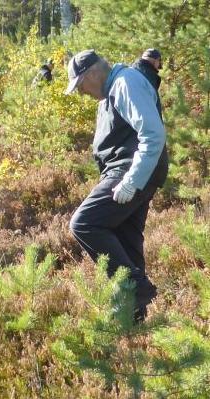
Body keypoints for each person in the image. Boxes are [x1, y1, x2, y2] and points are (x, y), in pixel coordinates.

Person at [65, 50, 169, 322]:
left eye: (80, 85)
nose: (80, 93)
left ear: (91, 74)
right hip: (132, 172)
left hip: (131, 172)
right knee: (127, 239)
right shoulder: (114, 89)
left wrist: (131, 181)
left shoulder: (124, 83)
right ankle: (133, 320)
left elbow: (153, 133)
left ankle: (135, 289)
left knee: (84, 223)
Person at [132, 48, 163, 118]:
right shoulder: (149, 76)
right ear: (156, 60)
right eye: (159, 64)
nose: (158, 68)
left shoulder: (132, 72)